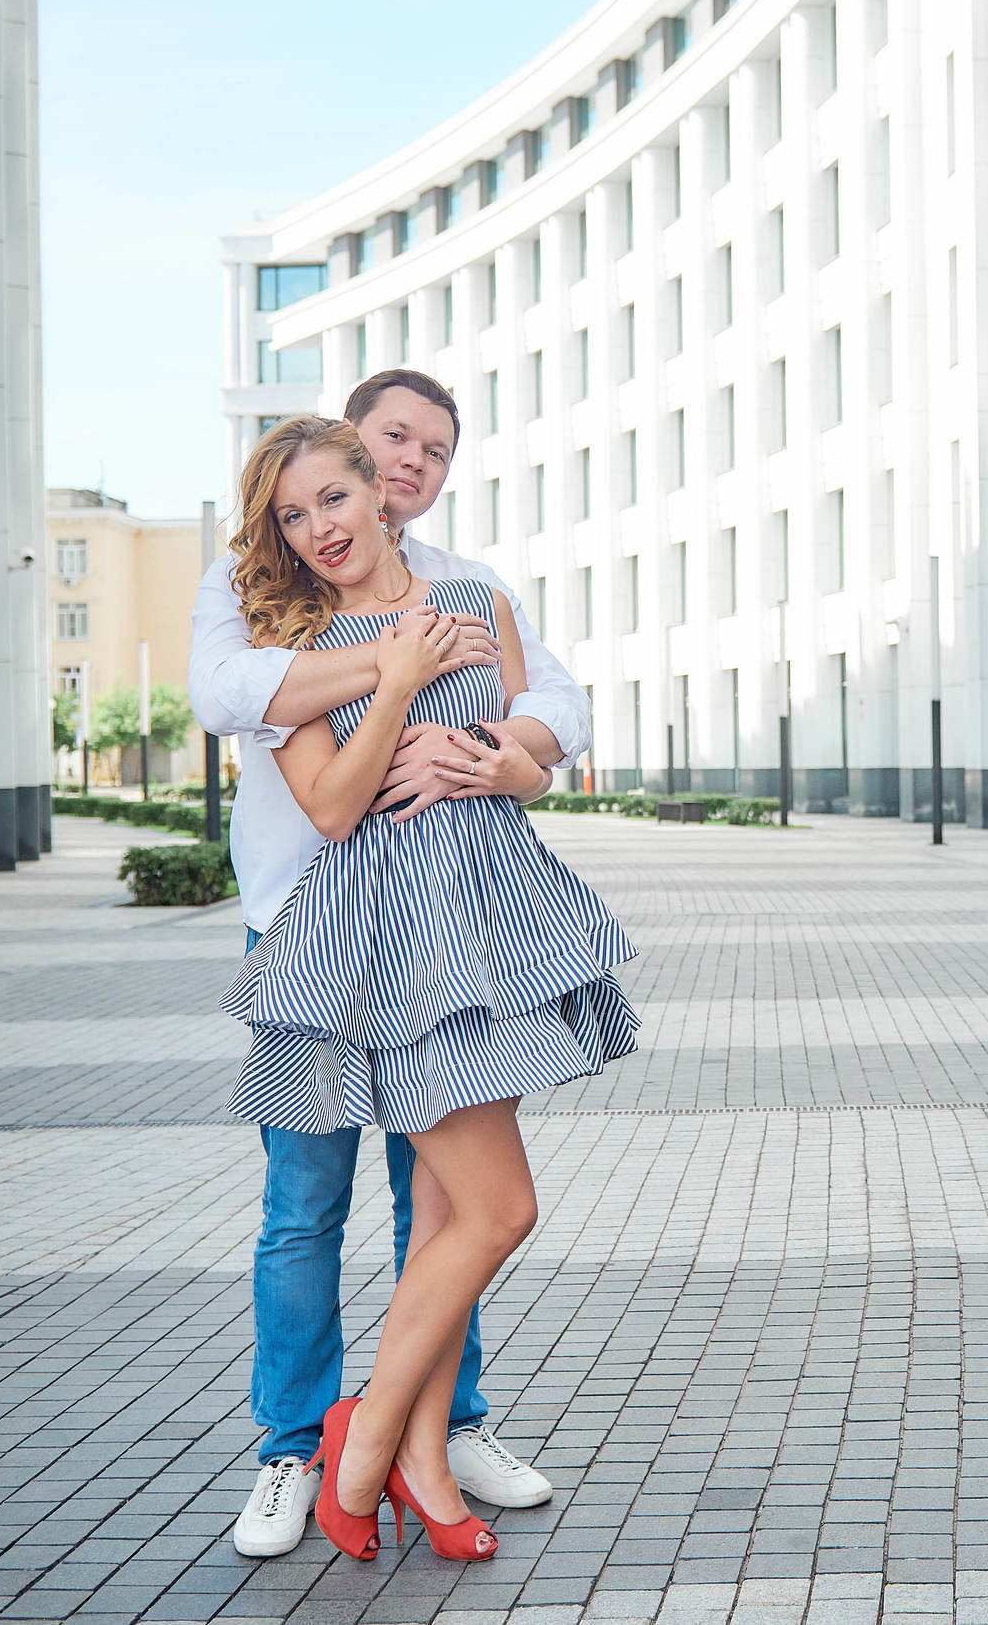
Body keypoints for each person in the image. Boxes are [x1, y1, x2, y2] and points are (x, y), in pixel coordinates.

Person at [216, 414, 636, 1563]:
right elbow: (333, 806)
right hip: (389, 943)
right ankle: (358, 1446)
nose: (319, 528)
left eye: (331, 498)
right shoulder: (291, 648)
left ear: (375, 490)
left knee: (449, 1216)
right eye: (291, 516)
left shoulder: (474, 601)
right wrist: (397, 678)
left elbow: (532, 757)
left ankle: (426, 1461)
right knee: (499, 1209)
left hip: (491, 922)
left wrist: (505, 762)